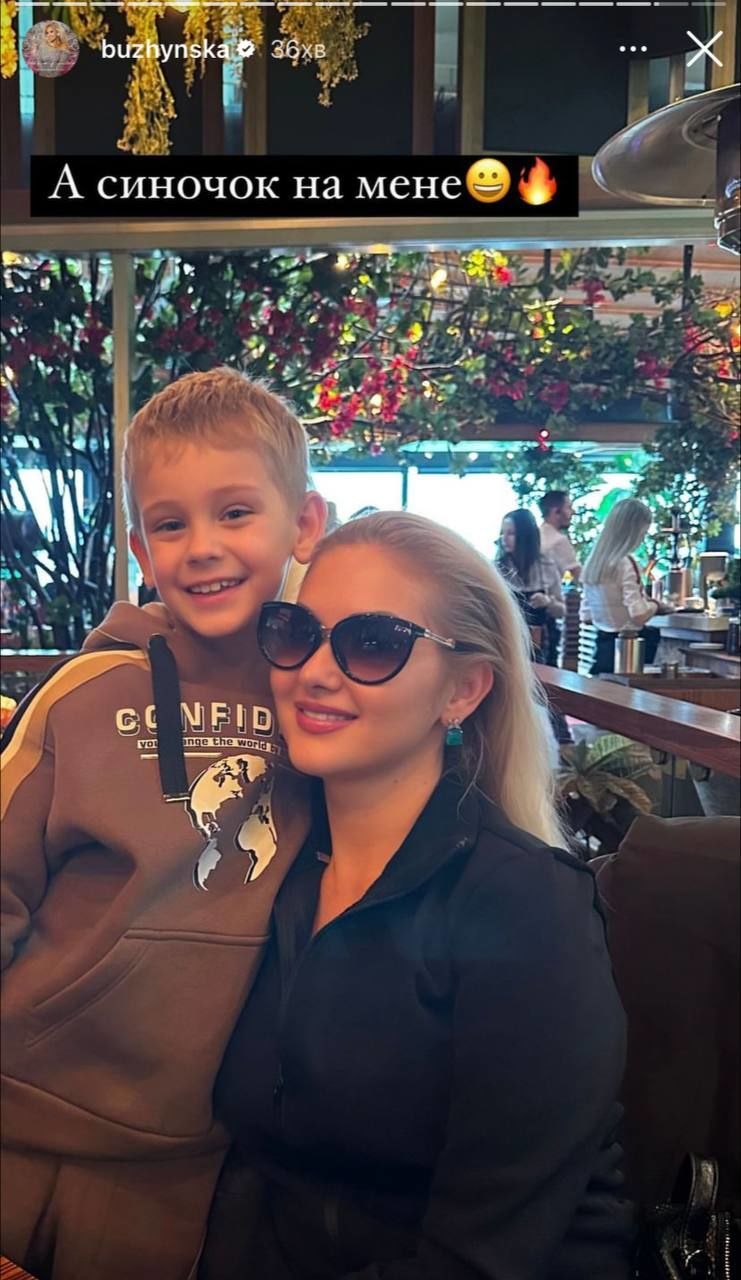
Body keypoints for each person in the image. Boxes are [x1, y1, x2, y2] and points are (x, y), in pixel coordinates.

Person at [203, 512, 634, 1280]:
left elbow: (482, 1259)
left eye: (372, 642)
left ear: (463, 691)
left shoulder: (525, 906)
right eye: (297, 632)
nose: (315, 671)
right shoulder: (266, 870)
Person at [0, 368, 326, 1279]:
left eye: (235, 512)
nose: (202, 548)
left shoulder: (324, 694)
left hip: (191, 1156)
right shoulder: (87, 691)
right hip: (18, 1107)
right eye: (171, 525)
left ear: (303, 523)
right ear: (141, 549)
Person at [581, 497, 671, 675]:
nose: (642, 539)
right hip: (629, 651)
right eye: (643, 533)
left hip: (602, 648)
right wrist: (656, 606)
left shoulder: (592, 564)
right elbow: (638, 614)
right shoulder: (626, 563)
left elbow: (586, 616)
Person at [496, 508, 564, 662]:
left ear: (525, 536)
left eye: (511, 533)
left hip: (543, 645)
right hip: (509, 644)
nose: (504, 538)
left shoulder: (546, 566)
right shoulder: (498, 569)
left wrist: (547, 601)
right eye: (502, 533)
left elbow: (561, 610)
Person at [539, 489, 582, 581]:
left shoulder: (534, 537)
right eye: (569, 508)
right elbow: (580, 577)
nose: (573, 512)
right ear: (556, 511)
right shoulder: (559, 541)